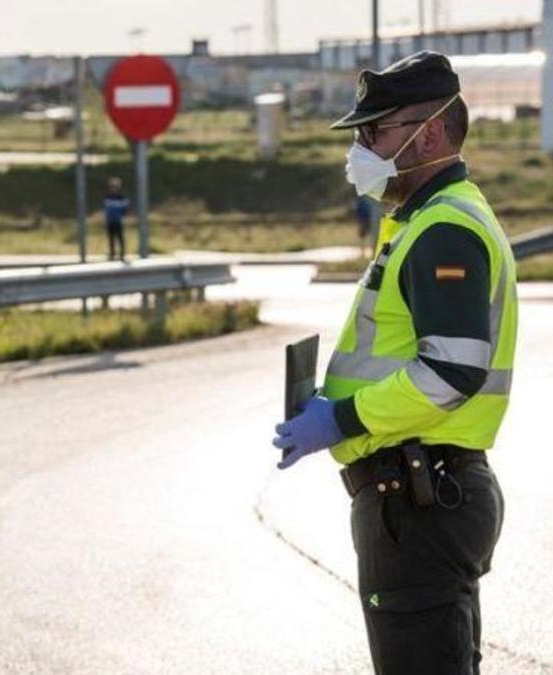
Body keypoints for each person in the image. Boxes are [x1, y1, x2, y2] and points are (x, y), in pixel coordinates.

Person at [272, 52, 513, 674]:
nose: (361, 146)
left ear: (429, 131)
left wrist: (343, 418)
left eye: (374, 131)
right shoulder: (425, 222)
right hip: (423, 494)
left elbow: (451, 373)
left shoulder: (444, 231)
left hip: (418, 499)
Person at [103, 176, 129, 261]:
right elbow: (106, 210)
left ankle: (122, 254)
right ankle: (112, 254)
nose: (113, 189)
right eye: (112, 187)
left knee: (120, 238)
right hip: (110, 221)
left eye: (115, 187)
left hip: (118, 221)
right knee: (111, 238)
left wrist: (122, 215)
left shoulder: (122, 197)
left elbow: (125, 209)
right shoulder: (108, 197)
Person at [355, 194, 381, 258]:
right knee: (366, 236)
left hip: (367, 220)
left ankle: (371, 251)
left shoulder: (364, 201)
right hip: (365, 220)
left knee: (371, 236)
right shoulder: (365, 201)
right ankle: (363, 251)